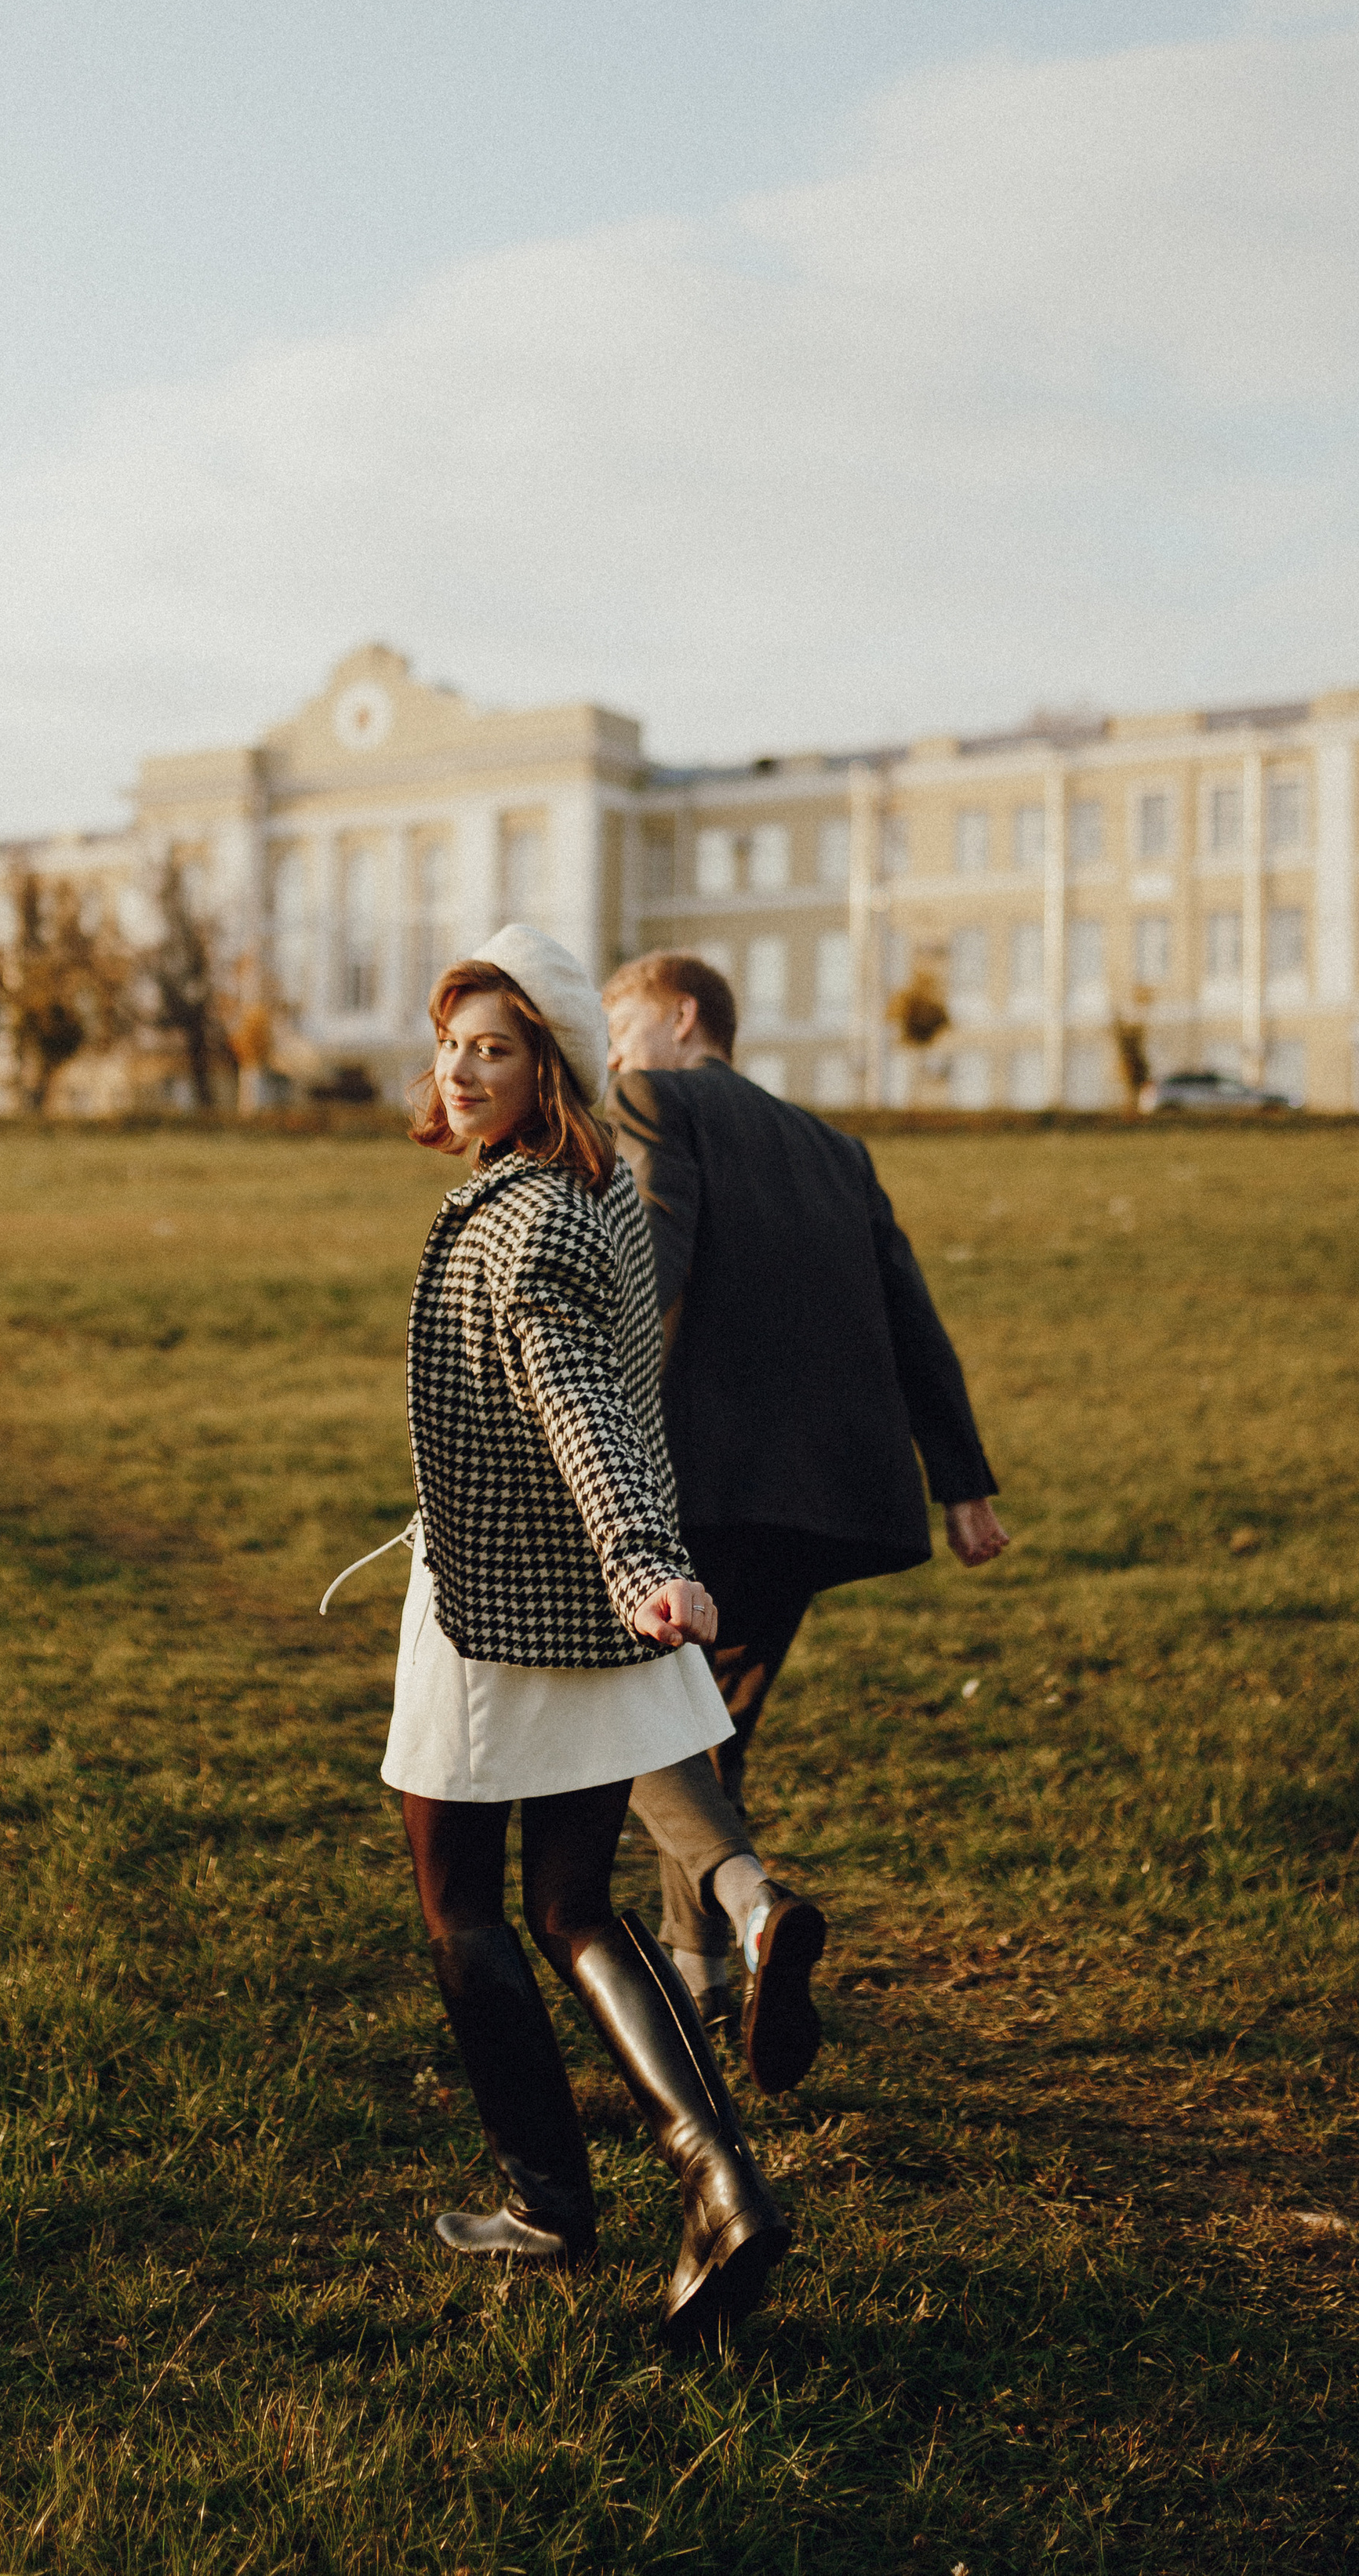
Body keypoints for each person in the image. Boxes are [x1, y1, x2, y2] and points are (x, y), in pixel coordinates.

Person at [376, 922, 790, 2347]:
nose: (461, 1071)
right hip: (592, 1616)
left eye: (495, 1049)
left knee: (461, 1905)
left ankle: (548, 2200)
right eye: (452, 1045)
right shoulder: (594, 1186)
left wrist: (641, 1557)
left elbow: (580, 1402)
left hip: (502, 1609)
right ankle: (720, 2179)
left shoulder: (529, 1220)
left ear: (547, 1065)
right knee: (572, 1906)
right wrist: (640, 1575)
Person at [604, 951, 1008, 2059]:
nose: (614, 1057)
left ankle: (750, 1909)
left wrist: (585, 1403)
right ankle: (701, 1978)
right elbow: (911, 1313)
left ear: (683, 1016)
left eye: (622, 1030)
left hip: (696, 1481)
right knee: (708, 1727)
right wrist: (962, 1484)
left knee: (618, 1711)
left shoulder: (656, 1100)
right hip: (821, 1496)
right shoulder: (836, 1149)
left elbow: (652, 1261)